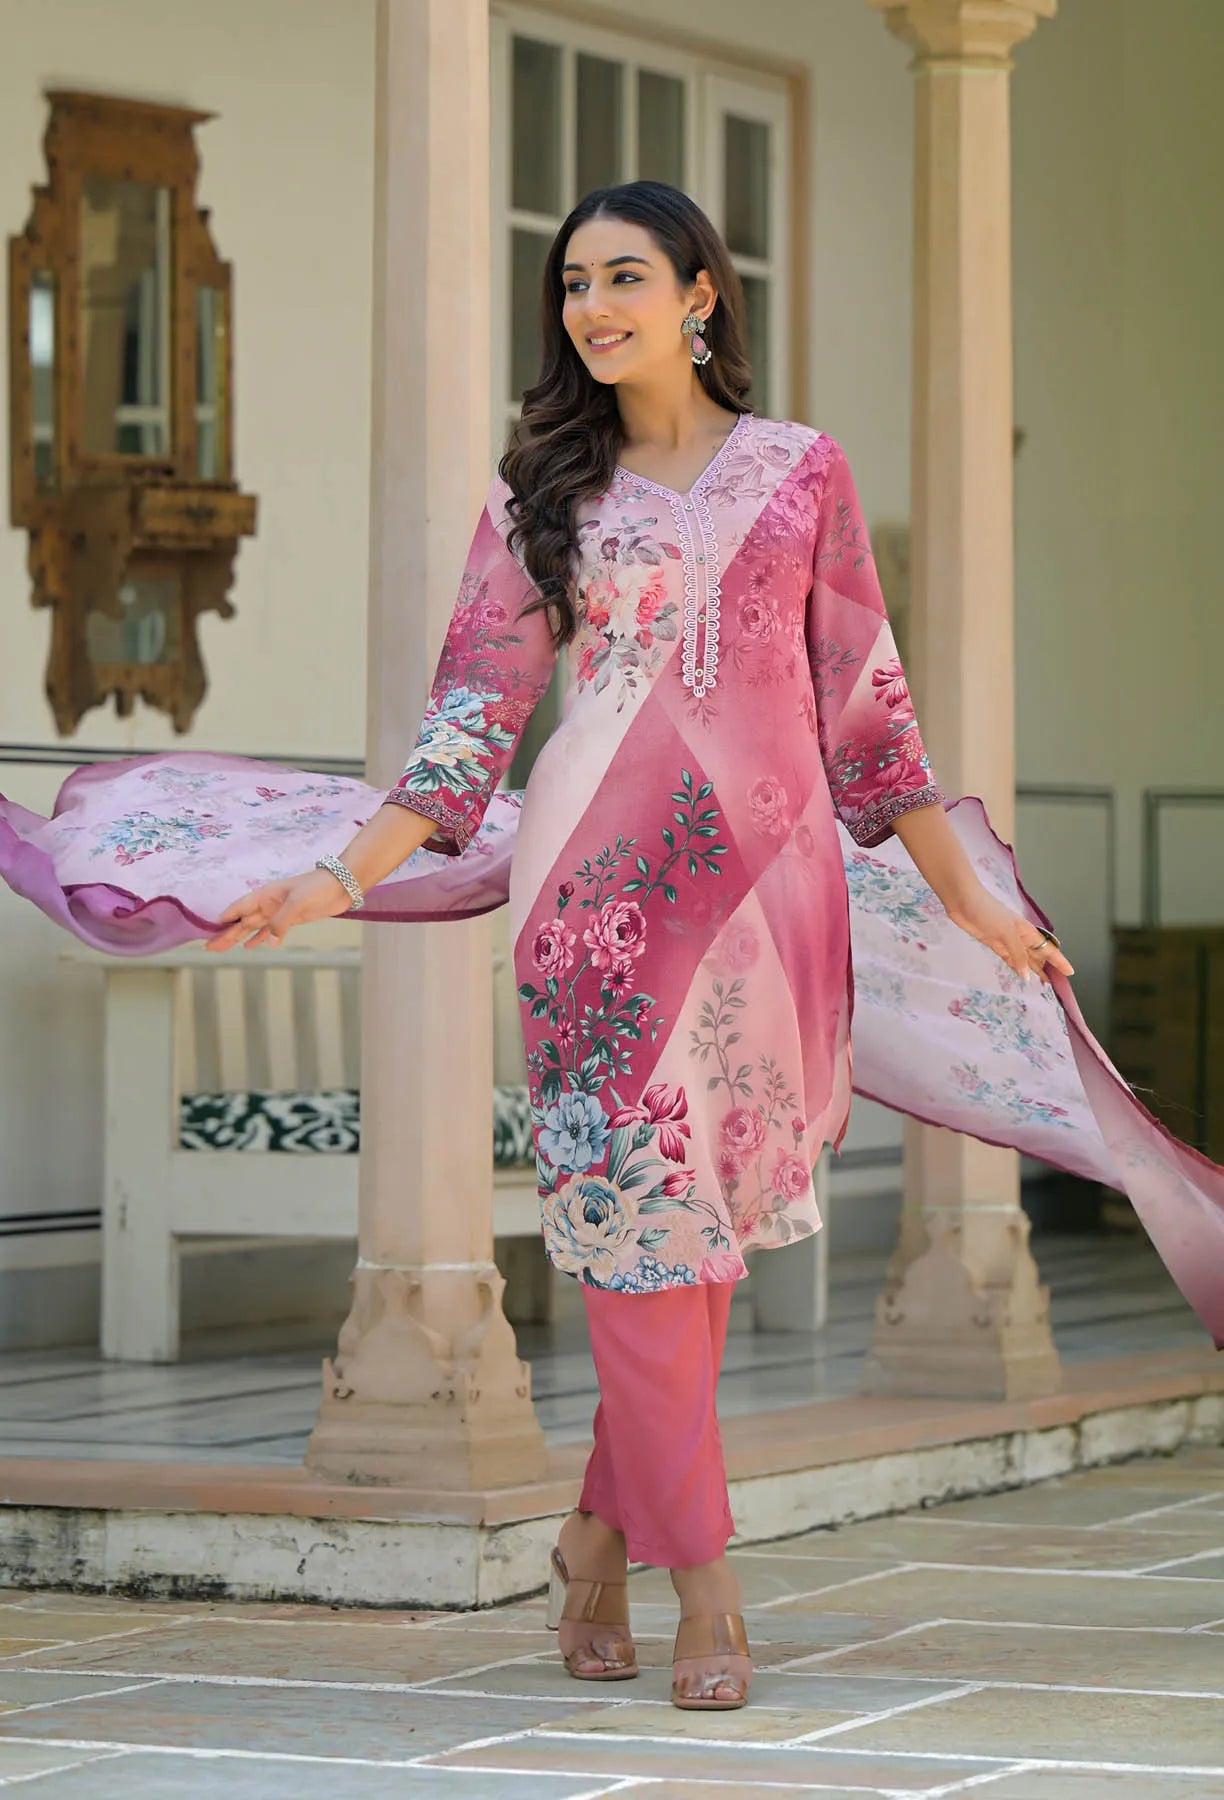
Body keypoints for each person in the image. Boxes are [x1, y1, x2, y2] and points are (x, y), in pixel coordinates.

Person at [201, 181, 1073, 1710]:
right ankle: (708, 1588)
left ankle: (594, 1542)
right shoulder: (543, 489)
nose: (593, 306)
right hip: (597, 905)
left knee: (696, 1251)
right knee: (637, 1236)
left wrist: (979, 901)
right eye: (572, 284)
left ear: (698, 296)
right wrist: (338, 879)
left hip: (771, 901)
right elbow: (466, 732)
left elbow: (874, 722)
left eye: (624, 276)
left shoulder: (803, 474)